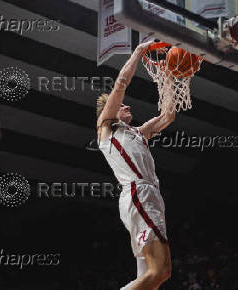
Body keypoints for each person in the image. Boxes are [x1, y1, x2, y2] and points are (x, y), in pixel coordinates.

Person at [96, 41, 175, 290]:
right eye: (121, 105)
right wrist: (139, 51)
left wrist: (171, 74)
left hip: (148, 196)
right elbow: (121, 83)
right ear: (111, 111)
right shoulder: (106, 128)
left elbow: (168, 115)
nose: (127, 105)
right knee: (161, 271)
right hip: (137, 193)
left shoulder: (138, 133)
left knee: (151, 279)